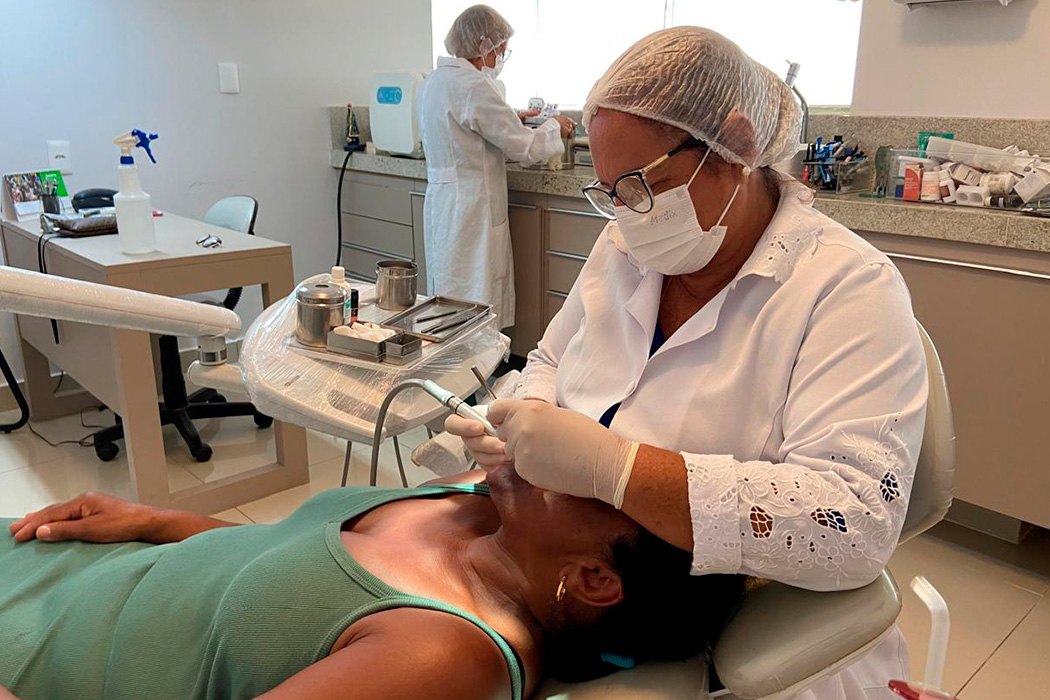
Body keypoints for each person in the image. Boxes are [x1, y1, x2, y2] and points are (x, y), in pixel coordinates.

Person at [446, 27, 929, 700]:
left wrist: (617, 470)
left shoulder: (847, 289)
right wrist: (525, 416)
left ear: (738, 146)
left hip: (721, 629)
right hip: (576, 579)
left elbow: (855, 523)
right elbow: (553, 355)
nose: (628, 215)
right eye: (611, 191)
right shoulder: (625, 244)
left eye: (646, 185)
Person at [0, 466, 743, 700]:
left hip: (35, 655)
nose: (571, 456)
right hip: (77, 562)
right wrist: (157, 522)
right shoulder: (478, 503)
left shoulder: (446, 654)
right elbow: (287, 562)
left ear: (594, 580)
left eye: (603, 481)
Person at [416, 5, 574, 329]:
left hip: (443, 207)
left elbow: (462, 132)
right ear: (483, 44)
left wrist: (509, 119)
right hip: (474, 208)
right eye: (500, 49)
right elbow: (525, 148)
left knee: (448, 296)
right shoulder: (474, 85)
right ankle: (479, 359)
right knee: (477, 297)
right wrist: (555, 125)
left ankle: (452, 357)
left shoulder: (432, 83)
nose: (500, 57)